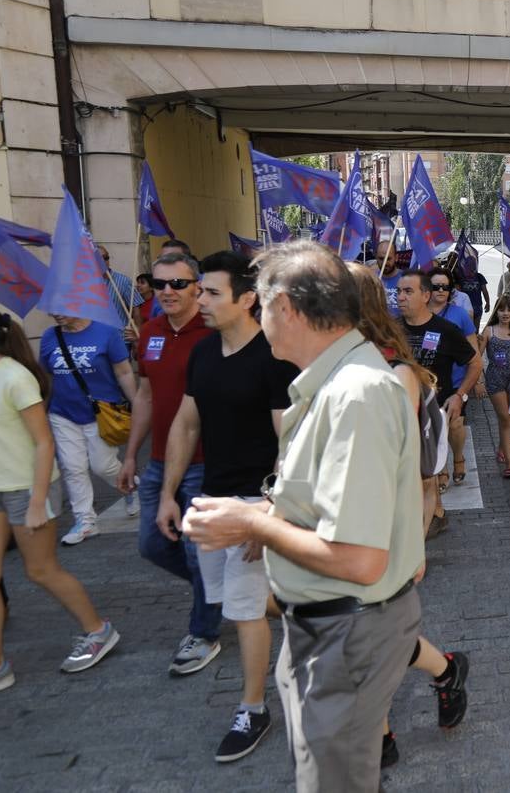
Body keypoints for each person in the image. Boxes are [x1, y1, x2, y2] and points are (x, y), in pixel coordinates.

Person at [181, 241, 423, 793]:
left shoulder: (354, 395)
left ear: (285, 307)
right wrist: (267, 511)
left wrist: (251, 523)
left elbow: (359, 560)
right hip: (334, 627)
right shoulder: (337, 386)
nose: (259, 318)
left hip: (347, 630)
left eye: (261, 304)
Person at [154, 251, 296, 762]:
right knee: (248, 603)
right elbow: (186, 424)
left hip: (253, 500)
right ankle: (326, 610)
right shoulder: (203, 354)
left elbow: (290, 443)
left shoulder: (273, 357)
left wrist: (269, 515)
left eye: (211, 292)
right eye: (201, 291)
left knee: (242, 610)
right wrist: (170, 494)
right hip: (211, 497)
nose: (199, 299)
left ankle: (253, 709)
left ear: (247, 299)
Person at [0, 298, 120, 708]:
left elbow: (44, 442)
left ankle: (98, 631)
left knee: (41, 570)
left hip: (26, 489)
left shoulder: (14, 377)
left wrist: (39, 501)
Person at [346, 264, 471, 767]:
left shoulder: (392, 370)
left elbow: (401, 468)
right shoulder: (326, 365)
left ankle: (379, 735)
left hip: (374, 527)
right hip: (340, 525)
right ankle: (442, 674)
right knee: (366, 631)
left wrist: (411, 542)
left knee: (367, 632)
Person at [117, 252, 223, 676]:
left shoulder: (214, 331)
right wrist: (130, 454)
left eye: (178, 284)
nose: (167, 292)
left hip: (203, 460)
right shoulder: (151, 331)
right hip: (159, 459)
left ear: (197, 286)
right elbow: (144, 395)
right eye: (159, 283)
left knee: (199, 554)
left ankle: (204, 631)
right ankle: (219, 591)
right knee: (153, 545)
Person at [41, 311, 139, 544]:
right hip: (62, 412)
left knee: (102, 466)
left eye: (61, 307)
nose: (55, 314)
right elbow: (46, 376)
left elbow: (123, 371)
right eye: (51, 309)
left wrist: (137, 403)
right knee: (73, 467)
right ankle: (85, 521)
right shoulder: (49, 336)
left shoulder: (106, 332)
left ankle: (132, 486)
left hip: (101, 412)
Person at [397, 269, 479, 537]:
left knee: (425, 475)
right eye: (399, 291)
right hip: (400, 413)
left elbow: (474, 362)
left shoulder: (446, 330)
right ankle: (437, 514)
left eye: (408, 291)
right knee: (418, 474)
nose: (401, 297)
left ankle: (419, 537)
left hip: (433, 413)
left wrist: (460, 395)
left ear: (425, 295)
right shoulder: (392, 330)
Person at [430, 266, 479, 492]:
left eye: (445, 287)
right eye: (436, 286)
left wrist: (477, 380)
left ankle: (458, 457)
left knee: (455, 424)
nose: (441, 291)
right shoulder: (420, 314)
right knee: (436, 428)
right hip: (430, 382)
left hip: (458, 381)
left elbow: (474, 353)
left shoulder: (459, 315)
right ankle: (441, 469)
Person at [480, 295, 510, 478]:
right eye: (502, 309)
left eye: (509, 309)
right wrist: (478, 381)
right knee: (505, 418)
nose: (506, 313)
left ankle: (501, 447)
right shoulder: (489, 331)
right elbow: (477, 357)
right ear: (496, 311)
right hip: (495, 378)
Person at [98, 244, 143, 331]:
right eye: (99, 258)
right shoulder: (85, 284)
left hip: (121, 337)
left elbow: (136, 310)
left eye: (106, 258)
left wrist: (138, 335)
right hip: (97, 338)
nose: (104, 261)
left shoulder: (123, 281)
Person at [456, 262, 490, 327]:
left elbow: (485, 291)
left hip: (477, 306)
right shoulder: (461, 277)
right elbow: (458, 292)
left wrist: (487, 303)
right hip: (465, 307)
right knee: (466, 329)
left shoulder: (479, 276)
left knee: (475, 329)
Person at [376, 239, 404, 317]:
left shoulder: (406, 279)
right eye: (381, 259)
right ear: (376, 258)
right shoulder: (370, 279)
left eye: (388, 259)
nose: (385, 263)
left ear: (396, 257)